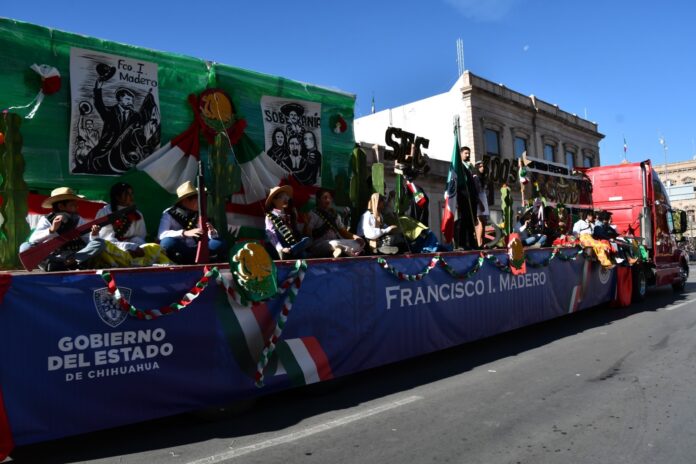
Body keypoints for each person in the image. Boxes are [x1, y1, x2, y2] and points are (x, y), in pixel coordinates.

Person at [22, 187, 105, 271]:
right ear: (61, 206)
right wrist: (51, 230)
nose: (76, 207)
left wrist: (94, 235)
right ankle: (52, 264)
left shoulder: (78, 219)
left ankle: (69, 263)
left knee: (99, 242)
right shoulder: (46, 220)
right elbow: (33, 240)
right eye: (72, 205)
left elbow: (88, 241)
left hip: (74, 256)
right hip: (53, 257)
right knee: (25, 247)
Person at [95, 182, 170, 267]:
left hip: (134, 247)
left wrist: (137, 247)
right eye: (127, 194)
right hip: (113, 247)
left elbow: (140, 237)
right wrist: (129, 247)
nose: (131, 197)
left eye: (131, 194)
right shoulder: (105, 212)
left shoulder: (137, 214)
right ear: (117, 197)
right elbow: (106, 239)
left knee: (153, 248)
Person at [158, 181, 226, 264]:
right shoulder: (170, 213)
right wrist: (184, 233)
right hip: (182, 249)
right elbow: (161, 235)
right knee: (167, 242)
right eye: (195, 198)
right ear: (185, 200)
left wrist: (211, 233)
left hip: (198, 248)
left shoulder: (200, 213)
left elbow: (209, 237)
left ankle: (201, 258)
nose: (199, 202)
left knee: (219, 242)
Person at [305, 188, 364, 258]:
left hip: (336, 241)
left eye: (330, 198)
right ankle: (344, 251)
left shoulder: (335, 215)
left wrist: (356, 237)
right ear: (318, 200)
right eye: (325, 198)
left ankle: (341, 251)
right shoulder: (313, 214)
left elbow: (343, 232)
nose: (328, 200)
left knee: (359, 243)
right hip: (320, 245)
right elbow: (308, 234)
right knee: (334, 244)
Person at [265, 185, 311, 259]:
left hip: (290, 245)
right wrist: (280, 249)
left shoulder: (288, 215)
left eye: (286, 196)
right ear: (274, 200)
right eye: (281, 197)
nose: (285, 199)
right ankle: (288, 253)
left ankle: (291, 251)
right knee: (302, 254)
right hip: (277, 247)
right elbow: (271, 235)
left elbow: (294, 232)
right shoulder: (270, 216)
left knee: (307, 241)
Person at [455, 146, 478, 249]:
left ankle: (472, 243)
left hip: (471, 198)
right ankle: (462, 243)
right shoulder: (459, 167)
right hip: (464, 197)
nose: (468, 155)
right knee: (463, 221)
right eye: (466, 153)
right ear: (460, 154)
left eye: (469, 153)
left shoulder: (469, 168)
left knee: (471, 222)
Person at [473, 161, 490, 248]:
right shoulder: (475, 178)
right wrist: (480, 203)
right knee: (480, 223)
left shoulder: (482, 178)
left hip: (484, 200)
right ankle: (479, 243)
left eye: (483, 166)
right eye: (480, 166)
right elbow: (475, 193)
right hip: (479, 202)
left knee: (484, 223)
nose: (482, 168)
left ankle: (482, 243)